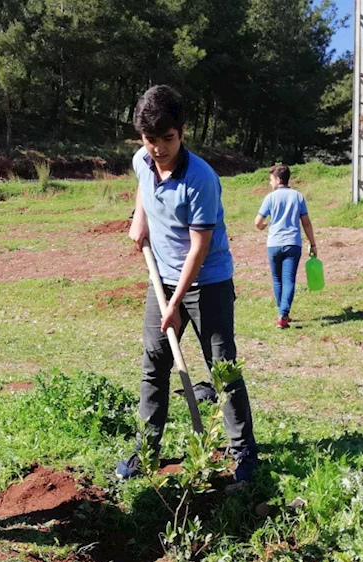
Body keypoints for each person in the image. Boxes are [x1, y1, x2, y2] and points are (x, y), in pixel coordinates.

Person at [116, 84, 258, 483]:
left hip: (207, 283)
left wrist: (176, 303)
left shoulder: (201, 180)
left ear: (182, 132)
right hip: (160, 278)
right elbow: (144, 185)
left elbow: (199, 248)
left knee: (222, 368)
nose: (159, 148)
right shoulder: (142, 160)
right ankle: (148, 448)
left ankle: (243, 452)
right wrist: (139, 218)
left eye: (168, 139)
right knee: (154, 366)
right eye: (150, 140)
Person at [255, 164, 317, 329]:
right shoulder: (298, 197)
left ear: (277, 179)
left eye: (271, 180)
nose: (270, 183)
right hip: (292, 244)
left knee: (277, 279)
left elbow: (258, 222)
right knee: (289, 279)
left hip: (274, 244)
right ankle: (283, 314)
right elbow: (306, 222)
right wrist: (313, 243)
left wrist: (263, 226)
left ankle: (282, 312)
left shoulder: (270, 198)